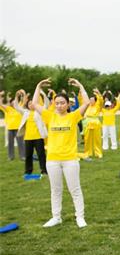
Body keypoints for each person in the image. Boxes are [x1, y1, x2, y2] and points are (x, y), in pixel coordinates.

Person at [32, 78, 90, 228]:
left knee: (75, 190)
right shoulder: (49, 116)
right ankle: (56, 217)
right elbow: (34, 104)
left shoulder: (73, 116)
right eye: (56, 103)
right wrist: (38, 86)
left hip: (70, 159)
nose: (59, 105)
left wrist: (81, 86)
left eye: (62, 103)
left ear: (68, 104)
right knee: (55, 190)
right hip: (52, 160)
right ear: (54, 104)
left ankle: (80, 217)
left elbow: (87, 103)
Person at [13, 89, 48, 175]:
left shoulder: (39, 112)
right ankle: (28, 171)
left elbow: (47, 103)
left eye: (33, 103)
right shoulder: (25, 112)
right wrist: (17, 96)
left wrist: (42, 93)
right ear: (27, 105)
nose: (31, 105)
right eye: (29, 103)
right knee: (28, 156)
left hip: (38, 137)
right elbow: (16, 106)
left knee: (41, 155)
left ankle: (44, 170)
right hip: (28, 138)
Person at [0, 91, 25, 160]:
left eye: (15, 102)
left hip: (18, 129)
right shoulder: (8, 109)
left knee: (21, 143)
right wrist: (0, 96)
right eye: (12, 102)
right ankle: (10, 157)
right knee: (10, 144)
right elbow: (0, 104)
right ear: (11, 103)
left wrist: (22, 93)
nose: (14, 103)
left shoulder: (19, 108)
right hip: (10, 129)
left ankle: (22, 156)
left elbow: (24, 100)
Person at [82, 89, 103, 159]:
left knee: (97, 139)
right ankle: (88, 153)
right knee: (87, 139)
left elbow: (101, 100)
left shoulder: (97, 106)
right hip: (88, 124)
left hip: (95, 123)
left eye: (92, 100)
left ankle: (98, 153)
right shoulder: (88, 106)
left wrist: (98, 93)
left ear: (95, 100)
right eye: (90, 100)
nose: (91, 101)